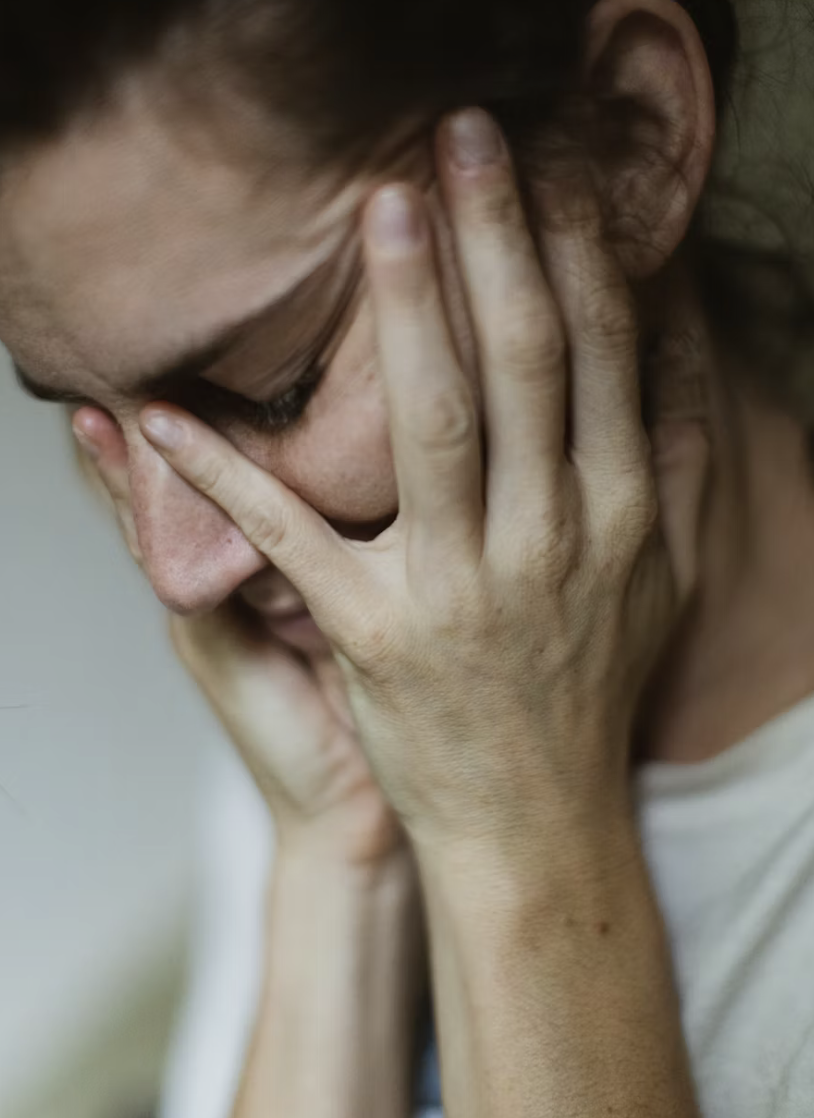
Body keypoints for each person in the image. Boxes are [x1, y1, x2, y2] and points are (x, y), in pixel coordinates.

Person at [4, 0, 814, 1114]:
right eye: (89, 411)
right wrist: (338, 858)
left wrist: (521, 832)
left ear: (631, 137)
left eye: (274, 391)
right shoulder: (353, 664)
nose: (178, 571)